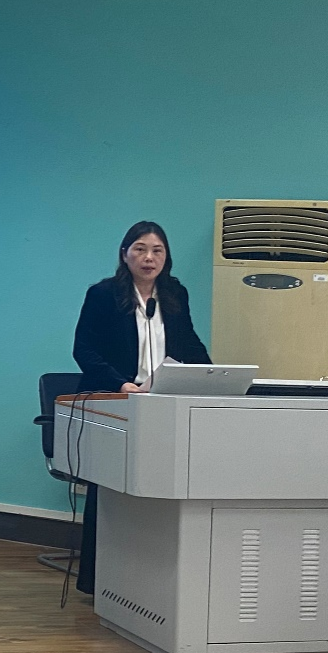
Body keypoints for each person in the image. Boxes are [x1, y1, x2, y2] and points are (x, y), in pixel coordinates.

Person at [69, 221, 211, 595]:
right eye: (140, 249)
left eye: (157, 250)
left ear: (166, 257)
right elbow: (84, 350)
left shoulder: (174, 293)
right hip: (117, 400)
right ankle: (99, 580)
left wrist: (212, 378)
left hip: (162, 403)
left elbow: (190, 344)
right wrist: (122, 384)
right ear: (125, 254)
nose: (149, 258)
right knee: (110, 490)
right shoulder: (103, 294)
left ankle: (150, 579)